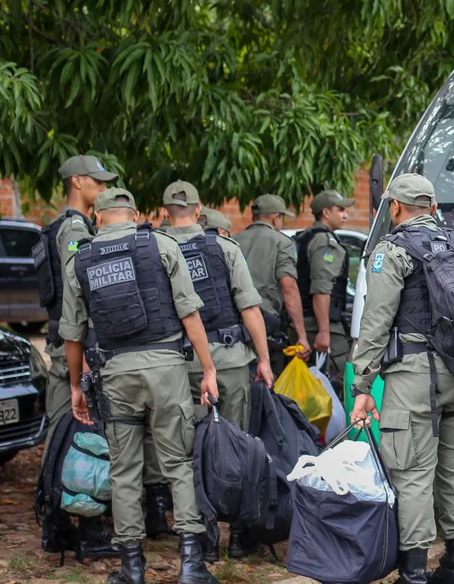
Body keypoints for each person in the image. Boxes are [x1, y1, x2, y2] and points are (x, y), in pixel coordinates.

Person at [60, 188, 219, 584]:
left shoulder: (80, 259)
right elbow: (189, 312)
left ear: (98, 218)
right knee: (178, 465)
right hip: (165, 368)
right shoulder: (161, 245)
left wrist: (77, 386)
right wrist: (209, 369)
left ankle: (132, 567)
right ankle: (191, 566)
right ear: (133, 215)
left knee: (124, 469)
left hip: (115, 372)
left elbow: (73, 334)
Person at [350, 174, 454, 584]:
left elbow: (375, 322)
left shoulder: (392, 251)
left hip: (415, 379)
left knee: (412, 474)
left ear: (395, 208)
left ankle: (414, 575)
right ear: (434, 208)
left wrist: (362, 387)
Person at [159, 181, 274, 558]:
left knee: (188, 452)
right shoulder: (223, 247)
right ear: (198, 209)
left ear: (164, 212)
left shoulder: (153, 249)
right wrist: (264, 359)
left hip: (177, 365)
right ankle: (238, 537)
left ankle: (203, 539)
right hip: (227, 362)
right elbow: (249, 308)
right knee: (236, 446)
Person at [34, 154, 120, 560]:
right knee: (85, 438)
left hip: (63, 342)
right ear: (78, 182)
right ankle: (88, 533)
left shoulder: (62, 225)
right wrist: (83, 357)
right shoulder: (73, 228)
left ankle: (56, 527)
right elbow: (77, 291)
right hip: (76, 344)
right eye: (98, 183)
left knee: (62, 434)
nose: (103, 190)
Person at [234, 194, 311, 375]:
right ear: (276, 218)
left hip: (233, 327)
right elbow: (288, 287)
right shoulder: (283, 243)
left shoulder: (232, 240)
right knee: (265, 387)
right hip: (265, 328)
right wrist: (302, 336)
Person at [295, 189, 353, 398]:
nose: (346, 215)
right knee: (345, 383)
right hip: (320, 325)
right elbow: (321, 288)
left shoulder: (302, 238)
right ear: (326, 213)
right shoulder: (324, 242)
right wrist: (324, 331)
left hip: (304, 323)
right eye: (341, 210)